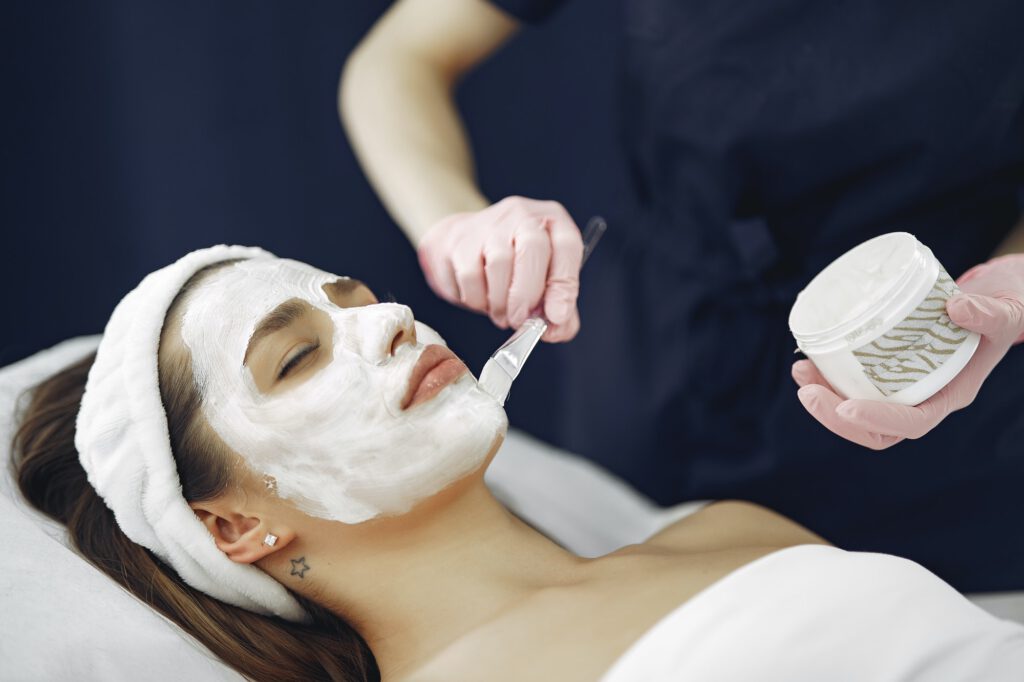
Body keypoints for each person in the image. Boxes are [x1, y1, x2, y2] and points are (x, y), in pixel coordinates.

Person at [12, 247, 1024, 681]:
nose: (387, 323)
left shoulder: (726, 529)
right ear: (235, 526)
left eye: (354, 298)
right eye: (298, 354)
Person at [339, 0, 1024, 592]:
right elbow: (397, 60)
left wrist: (1011, 287)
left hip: (932, 360)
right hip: (667, 355)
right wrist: (450, 222)